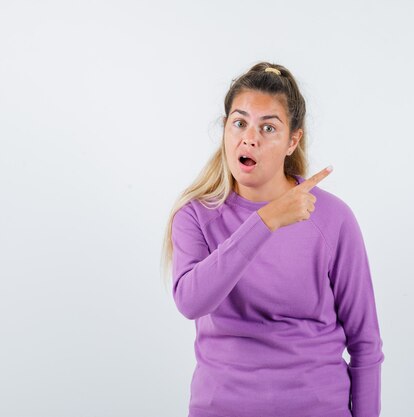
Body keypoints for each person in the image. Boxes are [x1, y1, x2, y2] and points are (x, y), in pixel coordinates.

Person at [160, 61, 385, 417]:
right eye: (240, 123)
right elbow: (191, 302)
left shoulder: (333, 218)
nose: (250, 138)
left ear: (292, 141)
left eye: (268, 128)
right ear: (225, 129)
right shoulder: (194, 216)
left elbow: (366, 343)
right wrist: (266, 220)